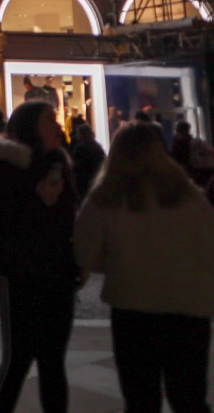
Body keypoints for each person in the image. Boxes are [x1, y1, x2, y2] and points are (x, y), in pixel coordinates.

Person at [74, 121, 214, 412]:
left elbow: (85, 253)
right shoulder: (190, 197)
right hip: (189, 307)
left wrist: (118, 262)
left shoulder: (105, 199)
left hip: (133, 306)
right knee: (189, 397)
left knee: (140, 398)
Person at [0, 101, 81, 413]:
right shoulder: (3, 169)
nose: (58, 127)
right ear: (32, 127)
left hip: (58, 274)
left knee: (53, 360)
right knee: (18, 358)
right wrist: (38, 204)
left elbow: (68, 218)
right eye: (50, 121)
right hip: (19, 275)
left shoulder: (58, 164)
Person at [70, 122, 106, 197]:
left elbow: (76, 166)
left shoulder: (79, 148)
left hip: (84, 183)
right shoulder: (98, 147)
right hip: (96, 182)